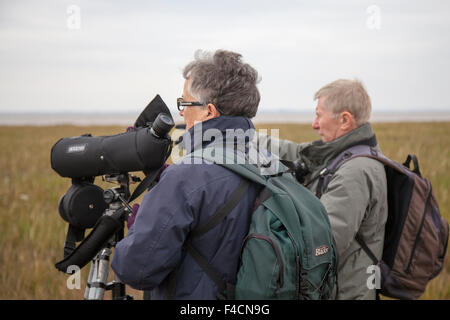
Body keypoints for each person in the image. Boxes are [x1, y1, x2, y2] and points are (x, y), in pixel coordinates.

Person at [111, 49, 262, 299]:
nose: (180, 112)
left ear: (209, 112)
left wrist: (140, 223)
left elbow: (136, 270)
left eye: (184, 103)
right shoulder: (266, 161)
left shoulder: (185, 177)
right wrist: (164, 179)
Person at [260, 79, 388, 299]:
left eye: (319, 115)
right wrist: (239, 137)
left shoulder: (355, 172)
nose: (314, 124)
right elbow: (296, 153)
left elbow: (320, 246)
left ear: (345, 120)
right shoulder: (342, 155)